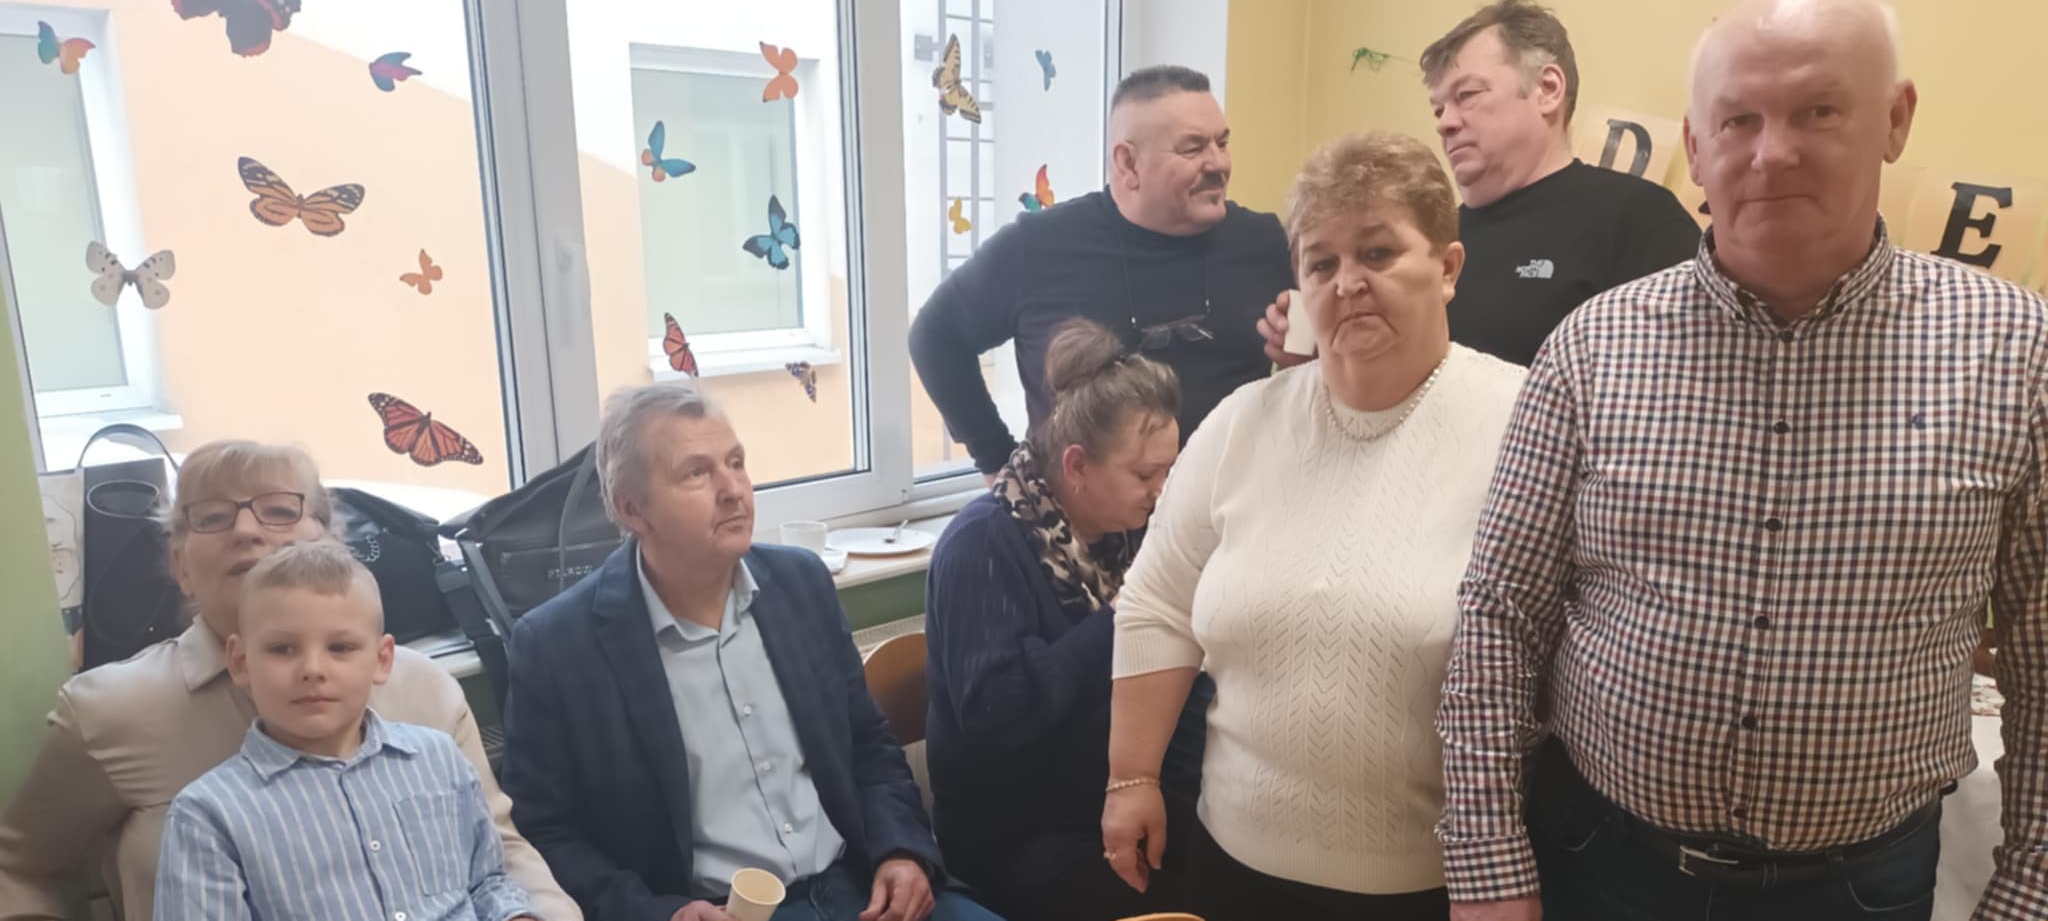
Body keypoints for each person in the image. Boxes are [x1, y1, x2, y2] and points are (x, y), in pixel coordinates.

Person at [1436, 0, 2048, 921]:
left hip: (1860, 889)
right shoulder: (1593, 347)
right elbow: (1499, 616)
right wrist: (1487, 860)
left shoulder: (2015, 351)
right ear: (1695, 145)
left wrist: (2028, 885)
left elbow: (2040, 653)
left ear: (1895, 119)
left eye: (1818, 111)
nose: (1772, 152)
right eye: (1737, 120)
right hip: (1601, 863)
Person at [1101, 131, 1527, 921]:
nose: (1348, 283)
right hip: (1234, 862)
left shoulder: (1524, 423)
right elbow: (1157, 604)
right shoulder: (1240, 425)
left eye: (1378, 252)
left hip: (1428, 885)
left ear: (1447, 267)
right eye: (1321, 263)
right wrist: (1132, 777)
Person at [0, 440, 577, 921]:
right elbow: (20, 872)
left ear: (332, 545)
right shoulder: (109, 711)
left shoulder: (424, 689)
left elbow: (498, 856)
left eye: (278, 509)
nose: (246, 530)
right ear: (180, 565)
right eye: (212, 516)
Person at [498, 380, 1004, 921]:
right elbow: (546, 834)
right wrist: (660, 913)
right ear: (632, 509)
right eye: (696, 473)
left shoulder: (800, 584)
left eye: (736, 463)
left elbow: (868, 744)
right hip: (725, 911)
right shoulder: (558, 646)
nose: (733, 489)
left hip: (859, 885)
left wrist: (903, 849)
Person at [924, 317, 1200, 921]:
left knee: (1256, 873)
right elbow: (998, 717)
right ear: (1076, 466)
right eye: (1146, 475)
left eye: (1171, 470)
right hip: (1014, 835)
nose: (1163, 491)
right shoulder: (982, 544)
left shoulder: (1123, 532)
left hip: (1105, 799)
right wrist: (1125, 617)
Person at [1260, 0, 1701, 368]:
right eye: (1438, 108)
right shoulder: (1424, 240)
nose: (1445, 123)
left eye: (1466, 95)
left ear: (1548, 89)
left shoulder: (1639, 221)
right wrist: (1325, 355)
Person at [910, 64, 1292, 479]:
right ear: (1128, 163)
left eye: (1222, 142)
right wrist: (997, 460)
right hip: (1074, 519)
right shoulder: (1038, 247)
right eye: (1193, 149)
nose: (1218, 163)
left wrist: (1302, 362)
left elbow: (1323, 368)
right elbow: (936, 336)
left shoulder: (1267, 243)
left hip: (1229, 513)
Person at [155, 541, 537, 921]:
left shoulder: (439, 756)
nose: (313, 669)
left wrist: (515, 915)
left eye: (340, 647)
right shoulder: (208, 814)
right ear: (240, 662)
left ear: (382, 659)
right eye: (282, 649)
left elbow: (486, 880)